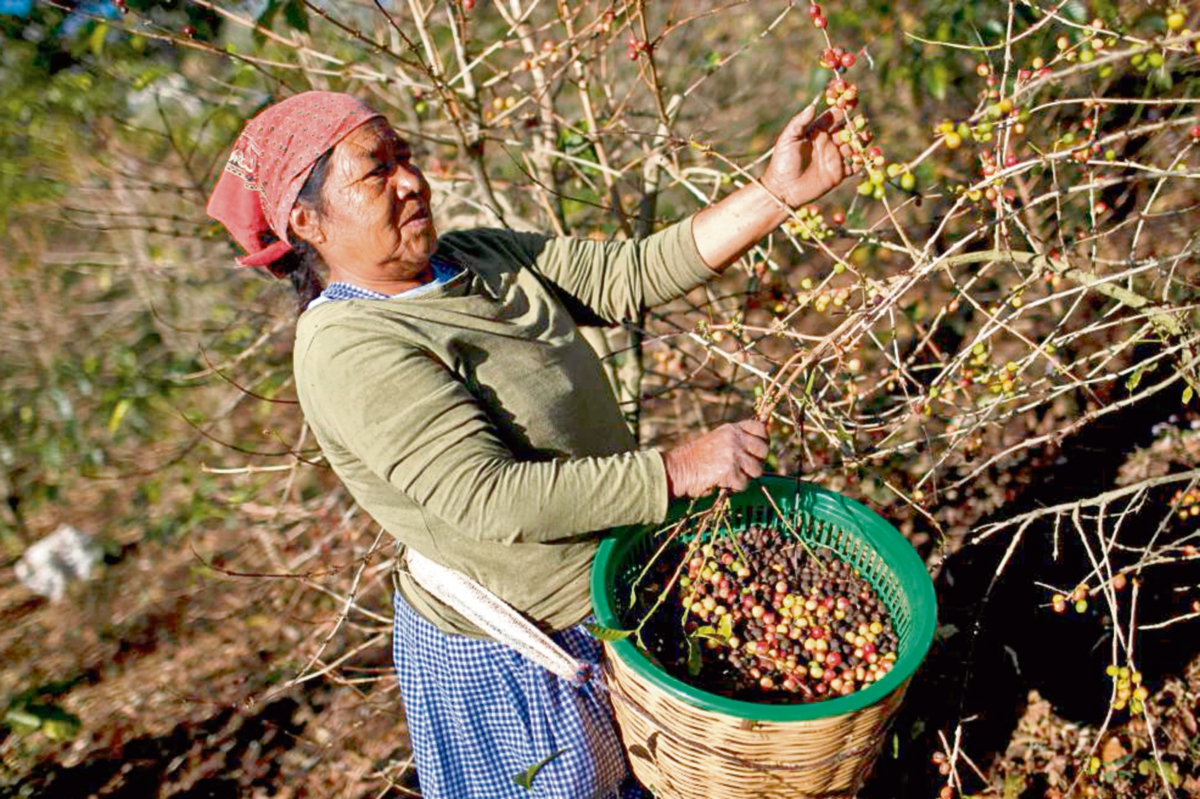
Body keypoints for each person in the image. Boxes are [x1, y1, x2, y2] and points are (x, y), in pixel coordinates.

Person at [206, 90, 856, 798]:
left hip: (614, 591)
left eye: (406, 158)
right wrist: (676, 469)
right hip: (523, 654)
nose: (410, 180)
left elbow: (627, 275)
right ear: (308, 222)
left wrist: (779, 192)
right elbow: (490, 497)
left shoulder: (474, 256)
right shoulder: (348, 346)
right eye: (375, 171)